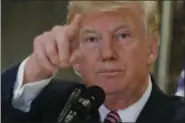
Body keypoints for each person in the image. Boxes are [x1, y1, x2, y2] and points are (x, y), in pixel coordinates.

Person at [2, 1, 185, 123]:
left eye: (122, 36)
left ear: (151, 48)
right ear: (75, 56)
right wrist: (36, 69)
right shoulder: (50, 105)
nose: (107, 53)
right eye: (92, 39)